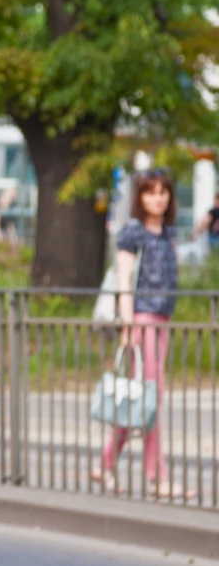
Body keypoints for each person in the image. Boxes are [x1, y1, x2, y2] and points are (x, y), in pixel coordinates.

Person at [94, 170, 191, 499]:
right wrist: (128, 327)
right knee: (149, 397)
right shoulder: (133, 232)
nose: (158, 198)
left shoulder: (166, 233)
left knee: (145, 399)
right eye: (151, 192)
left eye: (164, 192)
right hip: (142, 320)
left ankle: (105, 463)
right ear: (140, 197)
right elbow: (124, 281)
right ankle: (156, 477)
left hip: (161, 320)